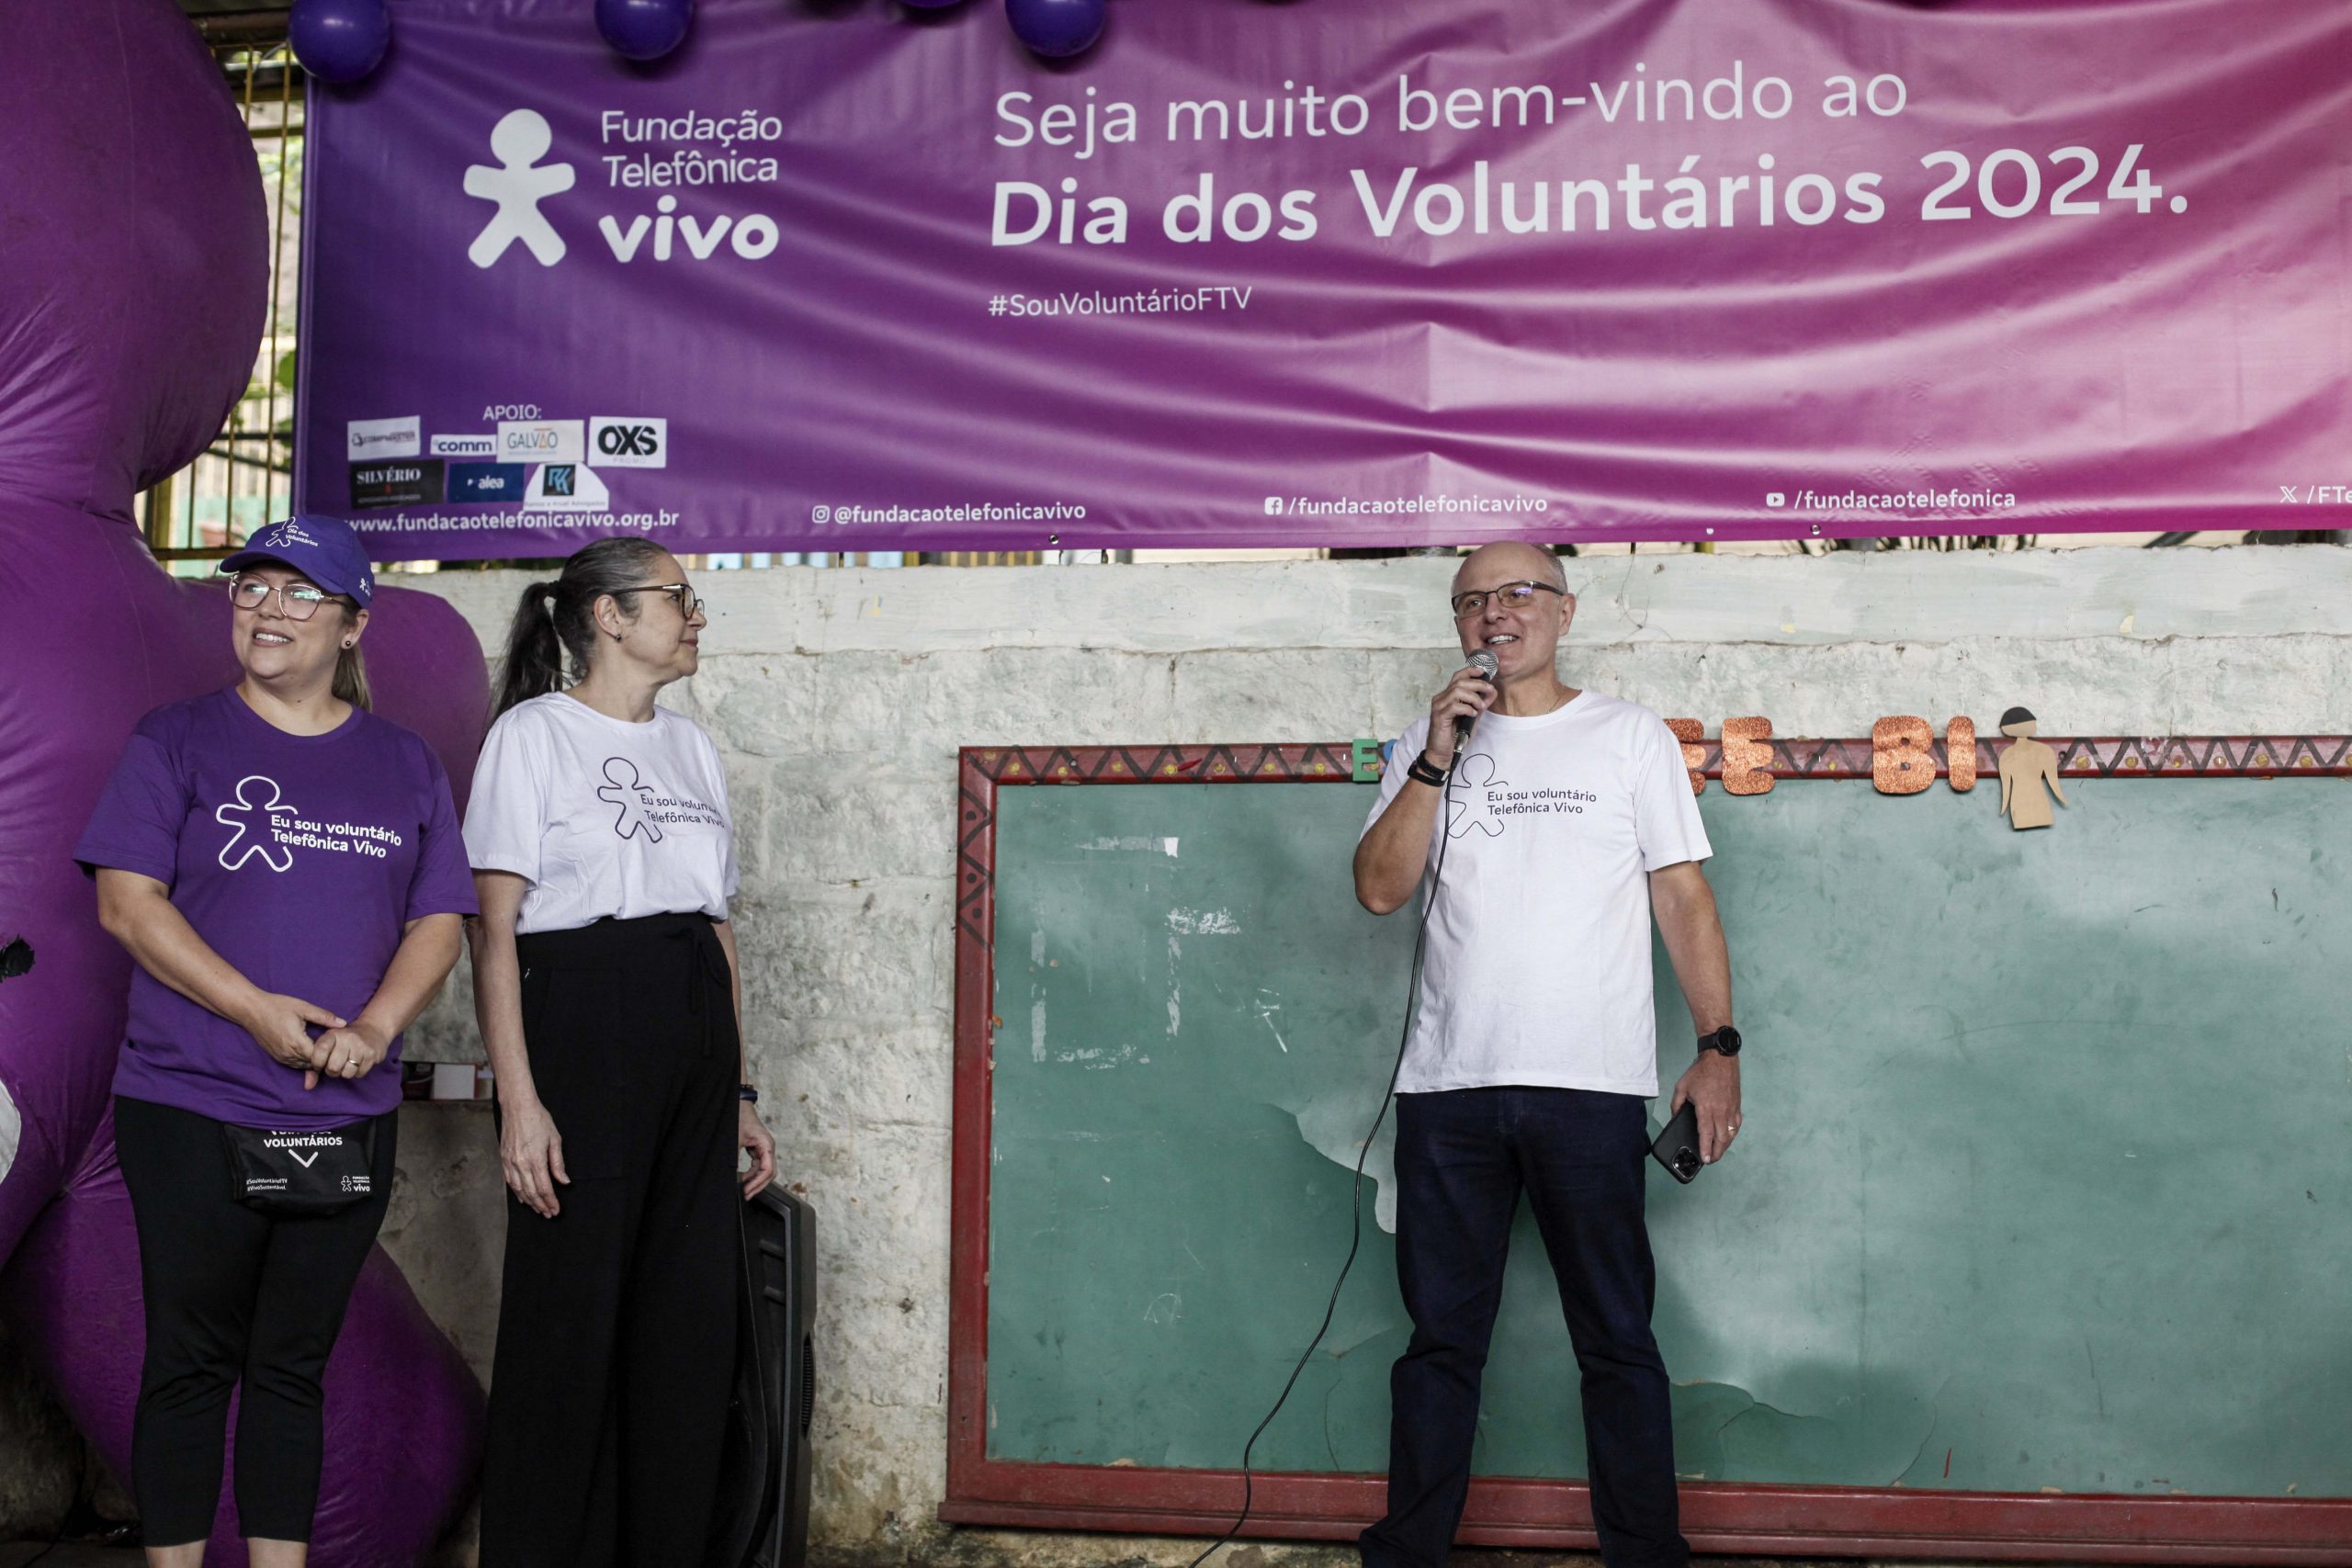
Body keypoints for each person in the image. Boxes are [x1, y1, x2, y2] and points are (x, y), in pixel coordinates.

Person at [74, 515, 474, 1567]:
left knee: (295, 1364)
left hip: (345, 1111)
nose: (268, 608)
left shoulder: (401, 763)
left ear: (351, 625)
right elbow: (127, 904)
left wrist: (380, 1027)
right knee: (191, 1362)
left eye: (300, 593)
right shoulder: (177, 738)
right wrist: (255, 1009)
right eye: (252, 587)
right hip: (187, 1099)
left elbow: (441, 918)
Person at [1351, 541, 1743, 1568]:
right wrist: (1436, 755)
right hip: (1448, 1094)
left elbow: (1682, 895)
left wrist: (1717, 1047)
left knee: (1616, 1340)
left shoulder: (1627, 738)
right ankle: (1409, 1554)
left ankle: (1645, 1555)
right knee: (1440, 1345)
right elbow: (1380, 888)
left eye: (1517, 593)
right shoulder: (1422, 745)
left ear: (1564, 612)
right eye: (1471, 600)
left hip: (1589, 1091)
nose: (1494, 614)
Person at [466, 537, 776, 1568]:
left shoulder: (692, 749)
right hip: (582, 1023)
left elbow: (715, 924)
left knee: (687, 1322)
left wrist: (737, 1087)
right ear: (606, 615)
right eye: (677, 599)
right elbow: (494, 928)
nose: (695, 618)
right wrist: (520, 1100)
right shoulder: (532, 736)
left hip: (691, 1026)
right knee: (572, 1317)